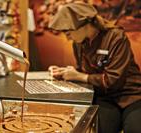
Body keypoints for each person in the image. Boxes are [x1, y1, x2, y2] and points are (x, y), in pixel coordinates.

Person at [48, 1, 141, 133]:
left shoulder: (116, 37)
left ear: (85, 25)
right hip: (104, 97)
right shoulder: (78, 43)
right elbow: (84, 71)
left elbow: (113, 80)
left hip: (131, 96)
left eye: (68, 32)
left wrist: (80, 76)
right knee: (99, 129)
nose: (68, 38)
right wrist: (66, 72)